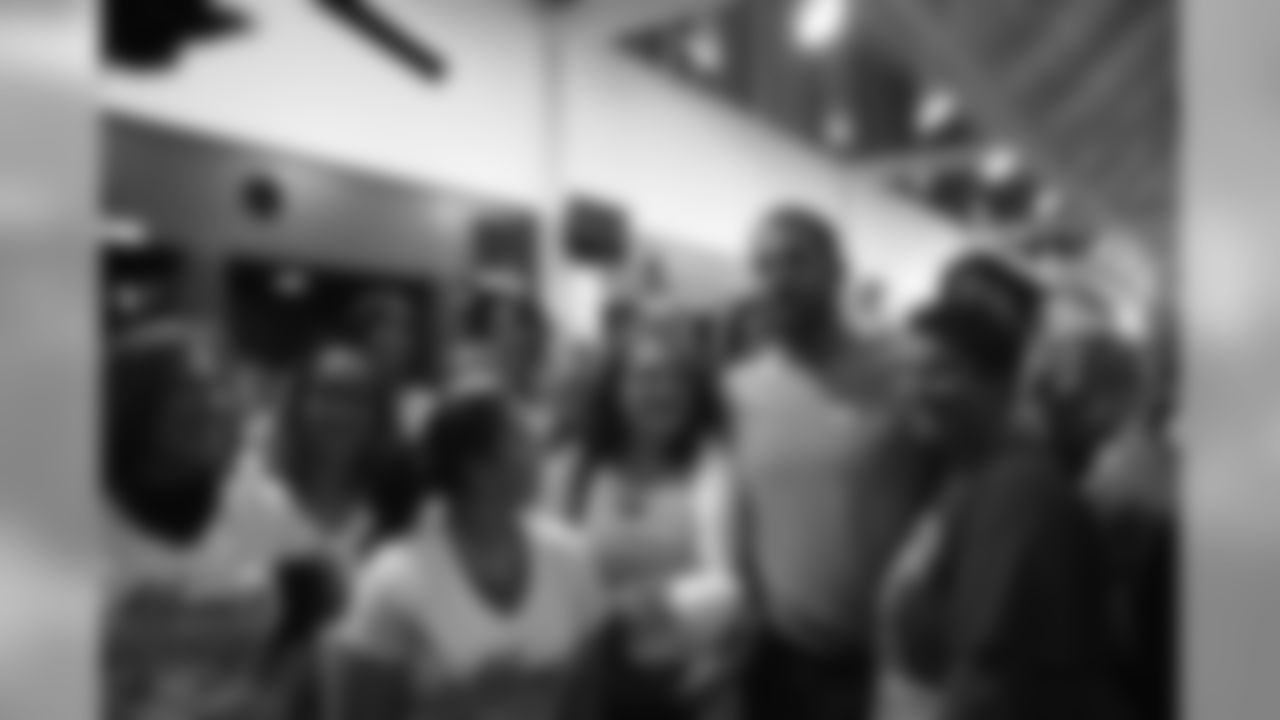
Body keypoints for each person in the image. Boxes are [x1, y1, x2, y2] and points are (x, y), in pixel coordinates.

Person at [726, 205, 940, 720]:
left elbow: (952, 498)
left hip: (878, 669)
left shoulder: (905, 371)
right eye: (763, 266)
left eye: (795, 261)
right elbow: (743, 516)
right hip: (773, 664)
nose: (777, 281)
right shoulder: (740, 388)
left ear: (838, 271)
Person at [885, 280, 1121, 720]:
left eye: (940, 370)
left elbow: (991, 680)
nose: (915, 389)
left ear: (1001, 382)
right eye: (905, 372)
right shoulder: (968, 473)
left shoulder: (1018, 494)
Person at [328, 386, 608, 720]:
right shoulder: (392, 578)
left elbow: (591, 693)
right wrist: (466, 701)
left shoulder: (570, 555)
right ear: (478, 467)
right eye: (521, 438)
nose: (539, 448)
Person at [549, 315, 736, 720]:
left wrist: (649, 606)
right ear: (615, 388)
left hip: (689, 696)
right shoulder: (573, 473)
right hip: (593, 694)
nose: (664, 391)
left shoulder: (715, 474)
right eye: (646, 377)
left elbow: (736, 587)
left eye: (678, 379)